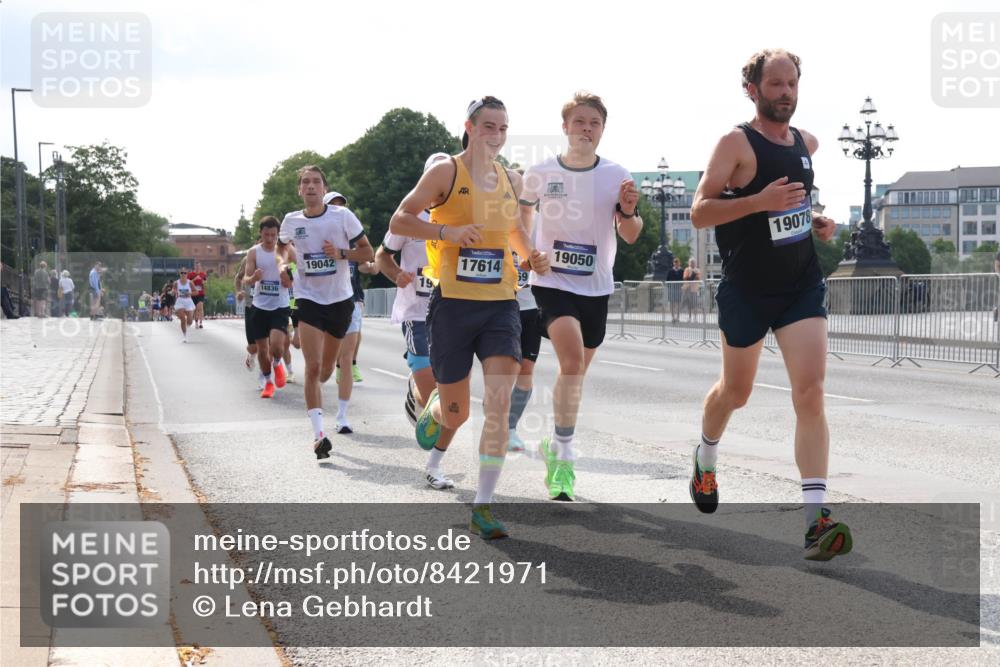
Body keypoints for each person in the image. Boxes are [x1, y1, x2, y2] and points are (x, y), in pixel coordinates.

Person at [689, 48, 847, 561]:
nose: (786, 93)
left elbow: (796, 203)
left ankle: (815, 520)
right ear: (752, 89)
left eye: (792, 84)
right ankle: (706, 455)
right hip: (748, 288)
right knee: (736, 392)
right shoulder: (735, 142)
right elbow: (698, 213)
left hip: (801, 284)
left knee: (811, 391)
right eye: (775, 84)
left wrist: (815, 218)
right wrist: (758, 202)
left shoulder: (806, 143)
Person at [390, 96, 550, 539]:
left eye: (503, 128)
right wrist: (446, 231)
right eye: (488, 127)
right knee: (457, 412)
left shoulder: (509, 178)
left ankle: (483, 506)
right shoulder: (446, 172)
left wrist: (530, 256)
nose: (496, 136)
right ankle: (438, 411)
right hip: (453, 306)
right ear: (470, 128)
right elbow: (401, 219)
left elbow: (514, 230)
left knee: (497, 404)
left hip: (501, 306)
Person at [519, 91, 643, 502]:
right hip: (552, 284)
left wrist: (628, 210)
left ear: (602, 130)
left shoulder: (616, 175)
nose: (586, 129)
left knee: (576, 374)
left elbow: (630, 234)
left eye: (594, 123)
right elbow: (519, 217)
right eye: (579, 121)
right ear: (565, 127)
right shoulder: (539, 173)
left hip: (597, 286)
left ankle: (555, 444)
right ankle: (565, 461)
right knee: (570, 362)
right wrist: (527, 254)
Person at [277, 165, 374, 460]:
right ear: (299, 190)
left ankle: (322, 403)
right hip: (308, 299)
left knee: (328, 369)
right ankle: (319, 435)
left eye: (316, 182)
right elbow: (281, 249)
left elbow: (368, 253)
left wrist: (342, 254)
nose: (310, 187)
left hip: (340, 300)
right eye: (305, 182)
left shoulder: (342, 216)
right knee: (313, 367)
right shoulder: (291, 221)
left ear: (324, 188)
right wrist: (283, 265)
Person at [377, 151, 452, 487]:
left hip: (452, 310)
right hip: (415, 312)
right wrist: (396, 274)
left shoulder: (461, 214)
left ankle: (433, 455)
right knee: (431, 388)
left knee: (447, 394)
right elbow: (382, 255)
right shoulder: (408, 216)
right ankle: (434, 461)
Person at [243, 217, 291, 399]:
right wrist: (253, 278)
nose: (270, 239)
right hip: (259, 306)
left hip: (280, 305)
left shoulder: (286, 250)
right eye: (266, 235)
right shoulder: (254, 253)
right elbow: (246, 279)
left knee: (277, 347)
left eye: (273, 235)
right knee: (262, 350)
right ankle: (268, 382)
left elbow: (296, 269)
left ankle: (278, 363)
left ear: (278, 234)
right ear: (260, 234)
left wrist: (290, 278)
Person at [173, 268, 196, 342]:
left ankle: (187, 324)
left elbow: (196, 292)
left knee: (189, 321)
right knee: (183, 319)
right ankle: (184, 336)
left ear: (187, 274)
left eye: (185, 273)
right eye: (181, 273)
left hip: (188, 301)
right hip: (180, 301)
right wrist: (173, 292)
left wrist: (190, 293)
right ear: (179, 274)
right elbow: (173, 290)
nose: (183, 274)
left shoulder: (190, 283)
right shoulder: (176, 283)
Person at [187, 262, 208, 329]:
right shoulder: (191, 274)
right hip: (193, 293)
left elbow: (206, 282)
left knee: (200, 307)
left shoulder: (203, 274)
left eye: (199, 266)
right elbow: (188, 283)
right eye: (196, 266)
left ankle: (201, 323)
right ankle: (196, 322)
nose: (198, 267)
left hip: (201, 293)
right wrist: (194, 279)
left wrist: (203, 282)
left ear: (200, 267)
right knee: (195, 309)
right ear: (194, 267)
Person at [666, 257, 685, 323]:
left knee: (678, 304)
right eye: (675, 262)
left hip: (679, 289)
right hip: (672, 289)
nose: (676, 264)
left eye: (677, 262)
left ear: (679, 263)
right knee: (672, 304)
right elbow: (667, 280)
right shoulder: (670, 271)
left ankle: (678, 317)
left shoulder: (682, 271)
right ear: (673, 263)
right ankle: (673, 317)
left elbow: (684, 279)